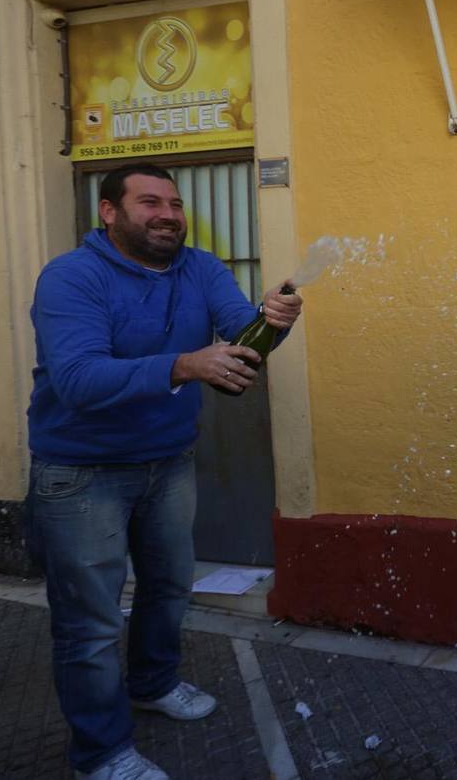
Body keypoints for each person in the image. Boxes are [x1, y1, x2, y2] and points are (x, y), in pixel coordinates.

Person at [26, 164, 302, 780]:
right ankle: (101, 753)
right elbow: (76, 380)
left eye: (174, 203)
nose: (167, 214)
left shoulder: (200, 268)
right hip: (81, 473)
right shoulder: (72, 278)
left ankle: (151, 683)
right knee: (91, 623)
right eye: (149, 202)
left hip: (168, 461)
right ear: (109, 212)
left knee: (169, 588)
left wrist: (274, 321)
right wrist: (183, 364)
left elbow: (243, 339)